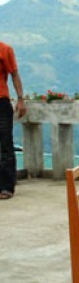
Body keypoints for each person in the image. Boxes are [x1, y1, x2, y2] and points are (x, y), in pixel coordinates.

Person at [0, 41, 26, 200]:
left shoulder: (5, 49)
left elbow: (15, 74)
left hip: (1, 102)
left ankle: (6, 187)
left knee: (5, 145)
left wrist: (21, 99)